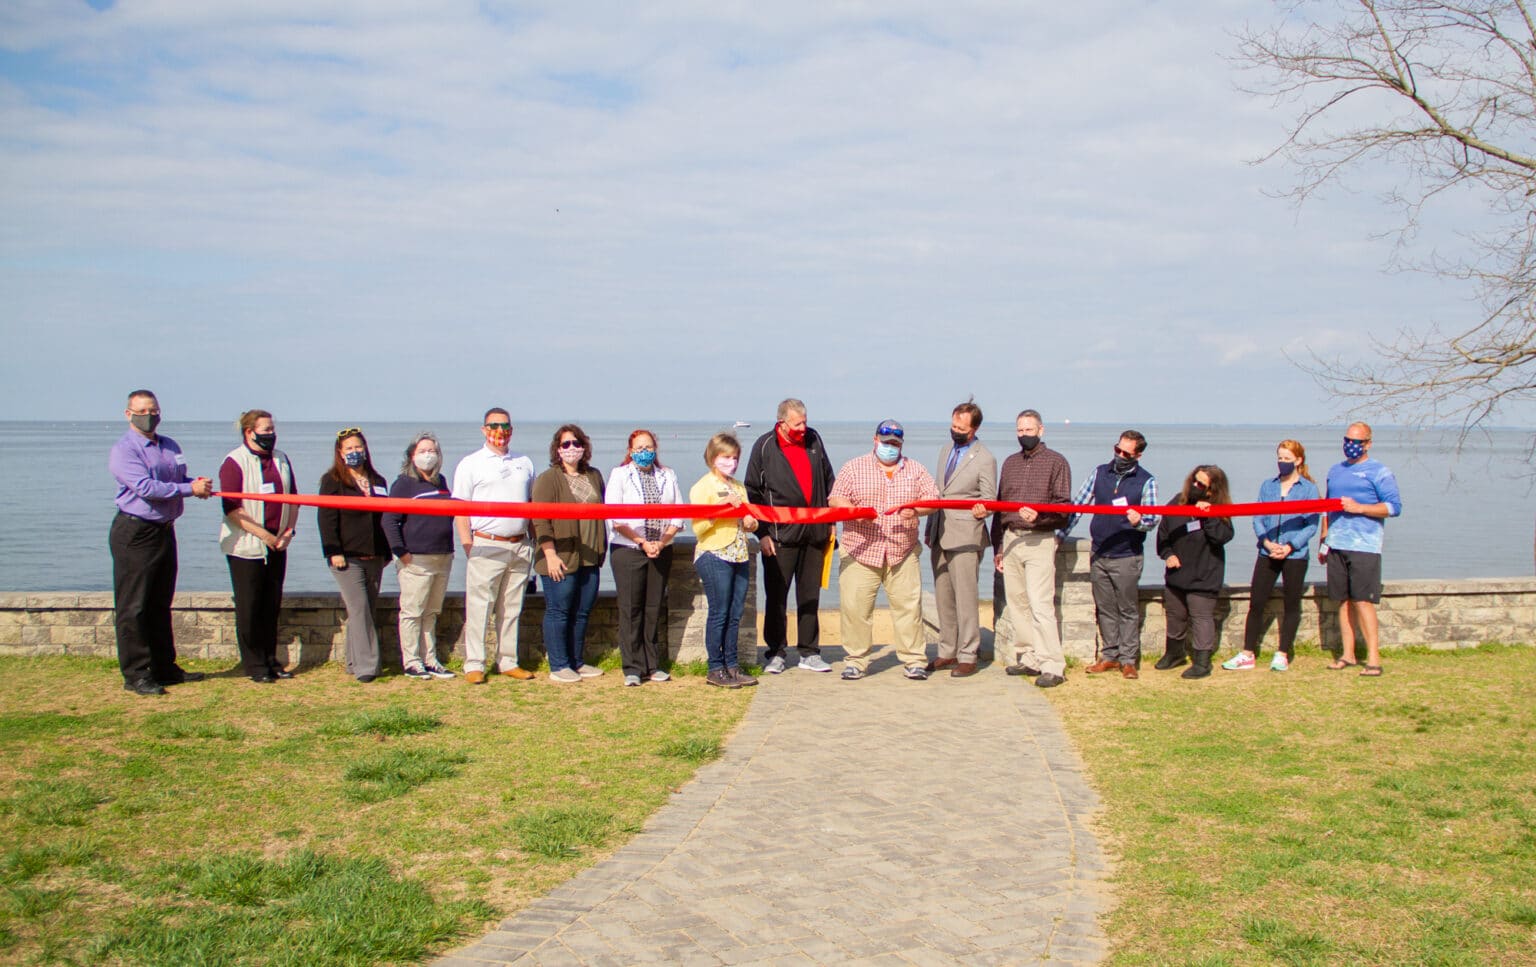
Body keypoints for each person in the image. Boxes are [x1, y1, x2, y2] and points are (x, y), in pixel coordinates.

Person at [108, 390, 214, 696]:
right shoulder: (124, 450)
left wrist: (198, 485)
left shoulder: (170, 446)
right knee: (134, 606)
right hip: (135, 532)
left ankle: (165, 668)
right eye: (142, 410)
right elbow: (145, 487)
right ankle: (137, 674)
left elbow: (178, 479)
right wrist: (189, 489)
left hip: (165, 530)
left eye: (153, 410)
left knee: (159, 602)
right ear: (128, 414)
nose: (149, 415)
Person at [828, 420, 940, 681]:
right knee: (856, 609)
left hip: (902, 550)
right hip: (861, 549)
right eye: (885, 442)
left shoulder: (916, 469)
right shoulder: (854, 467)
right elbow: (835, 498)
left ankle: (914, 660)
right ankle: (856, 660)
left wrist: (917, 510)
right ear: (875, 439)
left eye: (895, 443)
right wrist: (855, 512)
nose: (890, 447)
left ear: (902, 444)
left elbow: (932, 499)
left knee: (909, 608)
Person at [744, 399, 837, 674]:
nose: (803, 427)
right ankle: (776, 652)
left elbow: (829, 480)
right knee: (776, 598)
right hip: (778, 537)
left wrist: (831, 522)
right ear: (782, 423)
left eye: (805, 421)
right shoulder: (764, 446)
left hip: (815, 534)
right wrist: (761, 533)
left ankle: (810, 652)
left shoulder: (814, 439)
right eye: (798, 423)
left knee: (810, 596)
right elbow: (752, 493)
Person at [1215, 440, 1320, 673]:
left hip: (1295, 555)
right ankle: (1247, 653)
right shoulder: (1268, 486)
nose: (1282, 463)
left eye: (1287, 459)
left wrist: (1290, 546)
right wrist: (1265, 541)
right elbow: (1258, 516)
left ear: (1298, 460)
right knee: (1257, 601)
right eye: (1280, 458)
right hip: (1267, 551)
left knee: (1292, 603)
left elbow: (1311, 524)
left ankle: (1283, 653)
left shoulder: (1309, 489)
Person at [1061, 430, 1159, 678]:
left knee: (1127, 609)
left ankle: (1128, 660)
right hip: (1100, 552)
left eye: (1126, 453)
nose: (1120, 456)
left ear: (1138, 455)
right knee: (1105, 608)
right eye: (1118, 450)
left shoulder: (1147, 481)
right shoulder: (1100, 473)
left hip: (1127, 554)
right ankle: (1109, 655)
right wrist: (1059, 536)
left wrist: (1139, 521)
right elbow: (1078, 505)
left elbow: (1153, 517)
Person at [452, 408, 538, 685]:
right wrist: (468, 544)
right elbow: (460, 509)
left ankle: (508, 660)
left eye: (505, 426)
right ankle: (474, 663)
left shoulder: (524, 463)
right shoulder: (470, 463)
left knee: (512, 607)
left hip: (520, 544)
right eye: (494, 426)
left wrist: (533, 542)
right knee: (480, 606)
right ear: (484, 429)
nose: (500, 431)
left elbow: (532, 505)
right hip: (486, 544)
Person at [990, 408, 1073, 688]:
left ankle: (1053, 664)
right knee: (1018, 603)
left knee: (1041, 604)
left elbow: (1064, 509)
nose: (1024, 435)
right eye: (1019, 430)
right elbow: (1000, 505)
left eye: (1028, 429)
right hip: (1012, 538)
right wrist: (998, 546)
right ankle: (1029, 657)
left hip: (1040, 539)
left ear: (1041, 430)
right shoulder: (1010, 463)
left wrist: (1040, 518)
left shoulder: (1056, 462)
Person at [217, 409, 298, 684]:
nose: (271, 435)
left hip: (278, 545)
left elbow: (294, 498)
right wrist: (264, 535)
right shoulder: (234, 462)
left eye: (272, 429)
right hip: (247, 547)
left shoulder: (281, 459)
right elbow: (232, 509)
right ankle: (254, 664)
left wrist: (288, 532)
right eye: (265, 430)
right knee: (250, 606)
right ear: (249, 432)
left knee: (270, 605)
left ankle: (271, 659)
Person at [1320, 422, 1403, 677]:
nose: (1351, 445)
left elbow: (1394, 507)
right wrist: (1324, 540)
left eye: (1357, 441)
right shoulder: (1335, 471)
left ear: (1368, 443)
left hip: (1365, 546)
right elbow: (1328, 506)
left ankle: (1374, 659)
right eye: (1347, 440)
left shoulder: (1379, 472)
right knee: (1343, 601)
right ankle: (1348, 654)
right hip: (1337, 544)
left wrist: (1360, 508)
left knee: (1363, 601)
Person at [923, 400, 997, 679]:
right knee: (944, 596)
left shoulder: (985, 458)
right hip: (940, 530)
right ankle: (947, 650)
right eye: (953, 425)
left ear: (974, 428)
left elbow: (989, 498)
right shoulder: (945, 450)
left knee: (965, 598)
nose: (954, 430)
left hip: (966, 534)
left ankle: (968, 654)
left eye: (960, 427)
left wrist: (984, 508)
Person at [606, 430, 684, 687]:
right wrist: (641, 541)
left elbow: (677, 514)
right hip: (628, 549)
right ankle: (632, 667)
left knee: (653, 609)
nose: (644, 451)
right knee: (631, 609)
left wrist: (661, 542)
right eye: (639, 447)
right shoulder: (620, 475)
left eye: (648, 446)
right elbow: (615, 516)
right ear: (630, 450)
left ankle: (652, 665)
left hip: (661, 549)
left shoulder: (667, 474)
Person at [531, 425, 608, 684]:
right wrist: (550, 555)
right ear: (557, 449)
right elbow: (540, 521)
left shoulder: (594, 475)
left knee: (582, 611)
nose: (571, 448)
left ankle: (576, 661)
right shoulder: (548, 479)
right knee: (559, 610)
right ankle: (559, 664)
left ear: (584, 447)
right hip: (560, 557)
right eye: (565, 444)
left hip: (589, 556)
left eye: (576, 443)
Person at [317, 427, 391, 683]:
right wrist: (333, 551)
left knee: (366, 609)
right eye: (349, 448)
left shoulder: (378, 481)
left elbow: (386, 518)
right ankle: (368, 667)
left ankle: (352, 661)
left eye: (358, 447)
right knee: (359, 609)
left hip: (375, 555)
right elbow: (326, 519)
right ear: (340, 452)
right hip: (347, 557)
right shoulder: (332, 481)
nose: (354, 452)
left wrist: (388, 550)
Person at [383, 432, 457, 681]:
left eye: (432, 450)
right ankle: (411, 661)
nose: (428, 455)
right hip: (416, 559)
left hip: (442, 556)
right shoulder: (403, 484)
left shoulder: (441, 481)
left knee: (431, 611)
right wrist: (401, 552)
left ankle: (430, 659)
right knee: (412, 611)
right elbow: (389, 520)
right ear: (412, 456)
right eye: (423, 451)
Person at [689, 433, 760, 689]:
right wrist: (720, 508)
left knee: (735, 613)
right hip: (714, 554)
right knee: (719, 612)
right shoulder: (702, 487)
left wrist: (751, 522)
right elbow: (699, 528)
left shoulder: (739, 486)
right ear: (712, 457)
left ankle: (732, 665)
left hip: (739, 553)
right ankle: (715, 668)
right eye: (725, 457)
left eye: (734, 457)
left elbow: (750, 519)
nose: (731, 462)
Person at [1154, 466, 1235, 680]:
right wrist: (1168, 554)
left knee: (1201, 617)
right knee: (1175, 615)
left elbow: (1222, 537)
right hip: (1177, 573)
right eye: (1194, 481)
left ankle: (1202, 662)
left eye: (1201, 485)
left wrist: (1208, 516)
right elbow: (1163, 534)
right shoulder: (1177, 501)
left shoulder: (1219, 510)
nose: (1194, 487)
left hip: (1204, 575)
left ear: (1212, 490)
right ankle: (1174, 653)